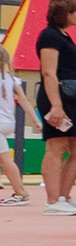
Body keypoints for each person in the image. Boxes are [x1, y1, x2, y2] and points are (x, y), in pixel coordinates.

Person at [35, 0, 76, 213]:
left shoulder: (63, 35)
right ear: (65, 13)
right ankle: (52, 201)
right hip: (57, 97)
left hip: (72, 98)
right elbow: (49, 73)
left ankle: (63, 197)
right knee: (56, 146)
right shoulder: (49, 36)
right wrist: (56, 105)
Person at [0, 56, 32, 204]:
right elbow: (24, 101)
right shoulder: (12, 80)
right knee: (4, 158)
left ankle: (21, 192)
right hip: (8, 123)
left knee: (5, 159)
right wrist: (37, 121)